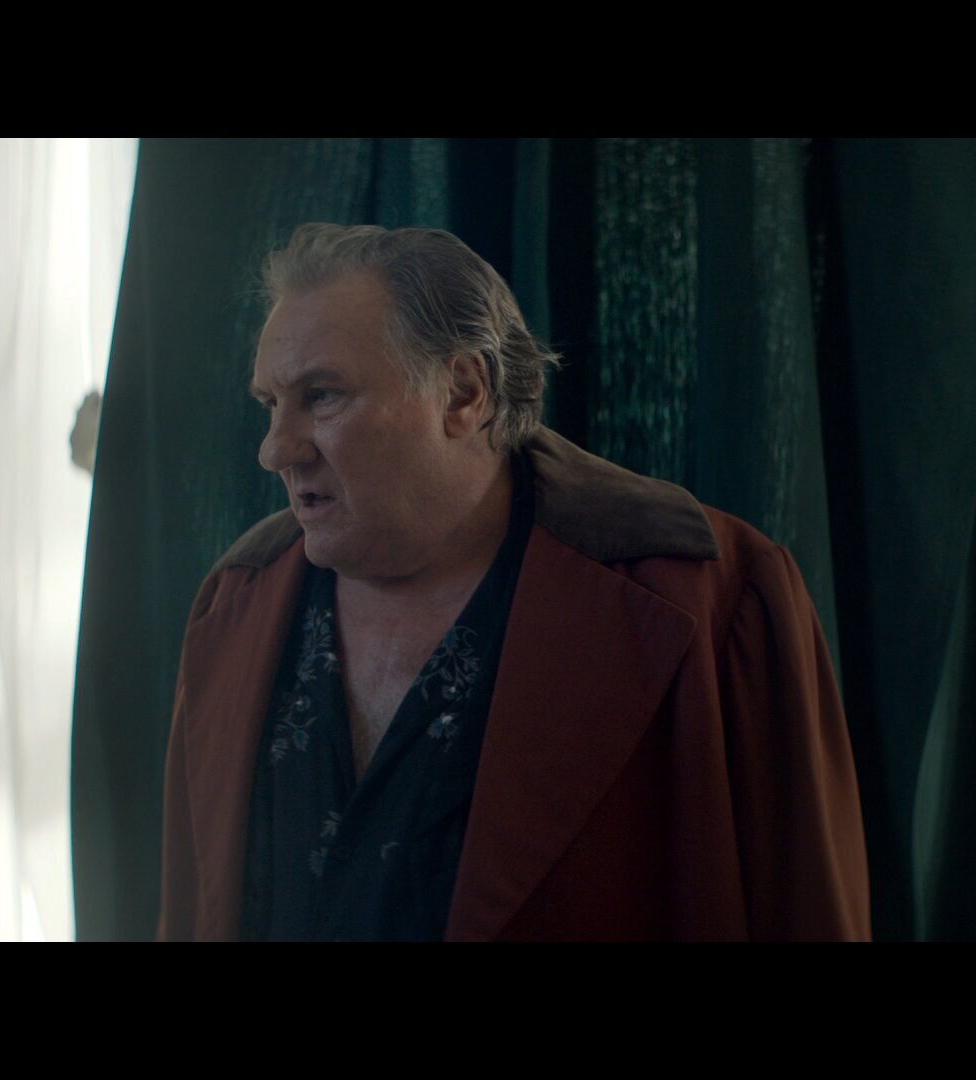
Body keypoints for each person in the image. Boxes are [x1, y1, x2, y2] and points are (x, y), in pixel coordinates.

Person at [156, 223, 871, 941]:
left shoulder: (713, 597)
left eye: (322, 395)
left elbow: (805, 912)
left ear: (463, 393)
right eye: (269, 403)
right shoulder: (236, 602)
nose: (275, 449)